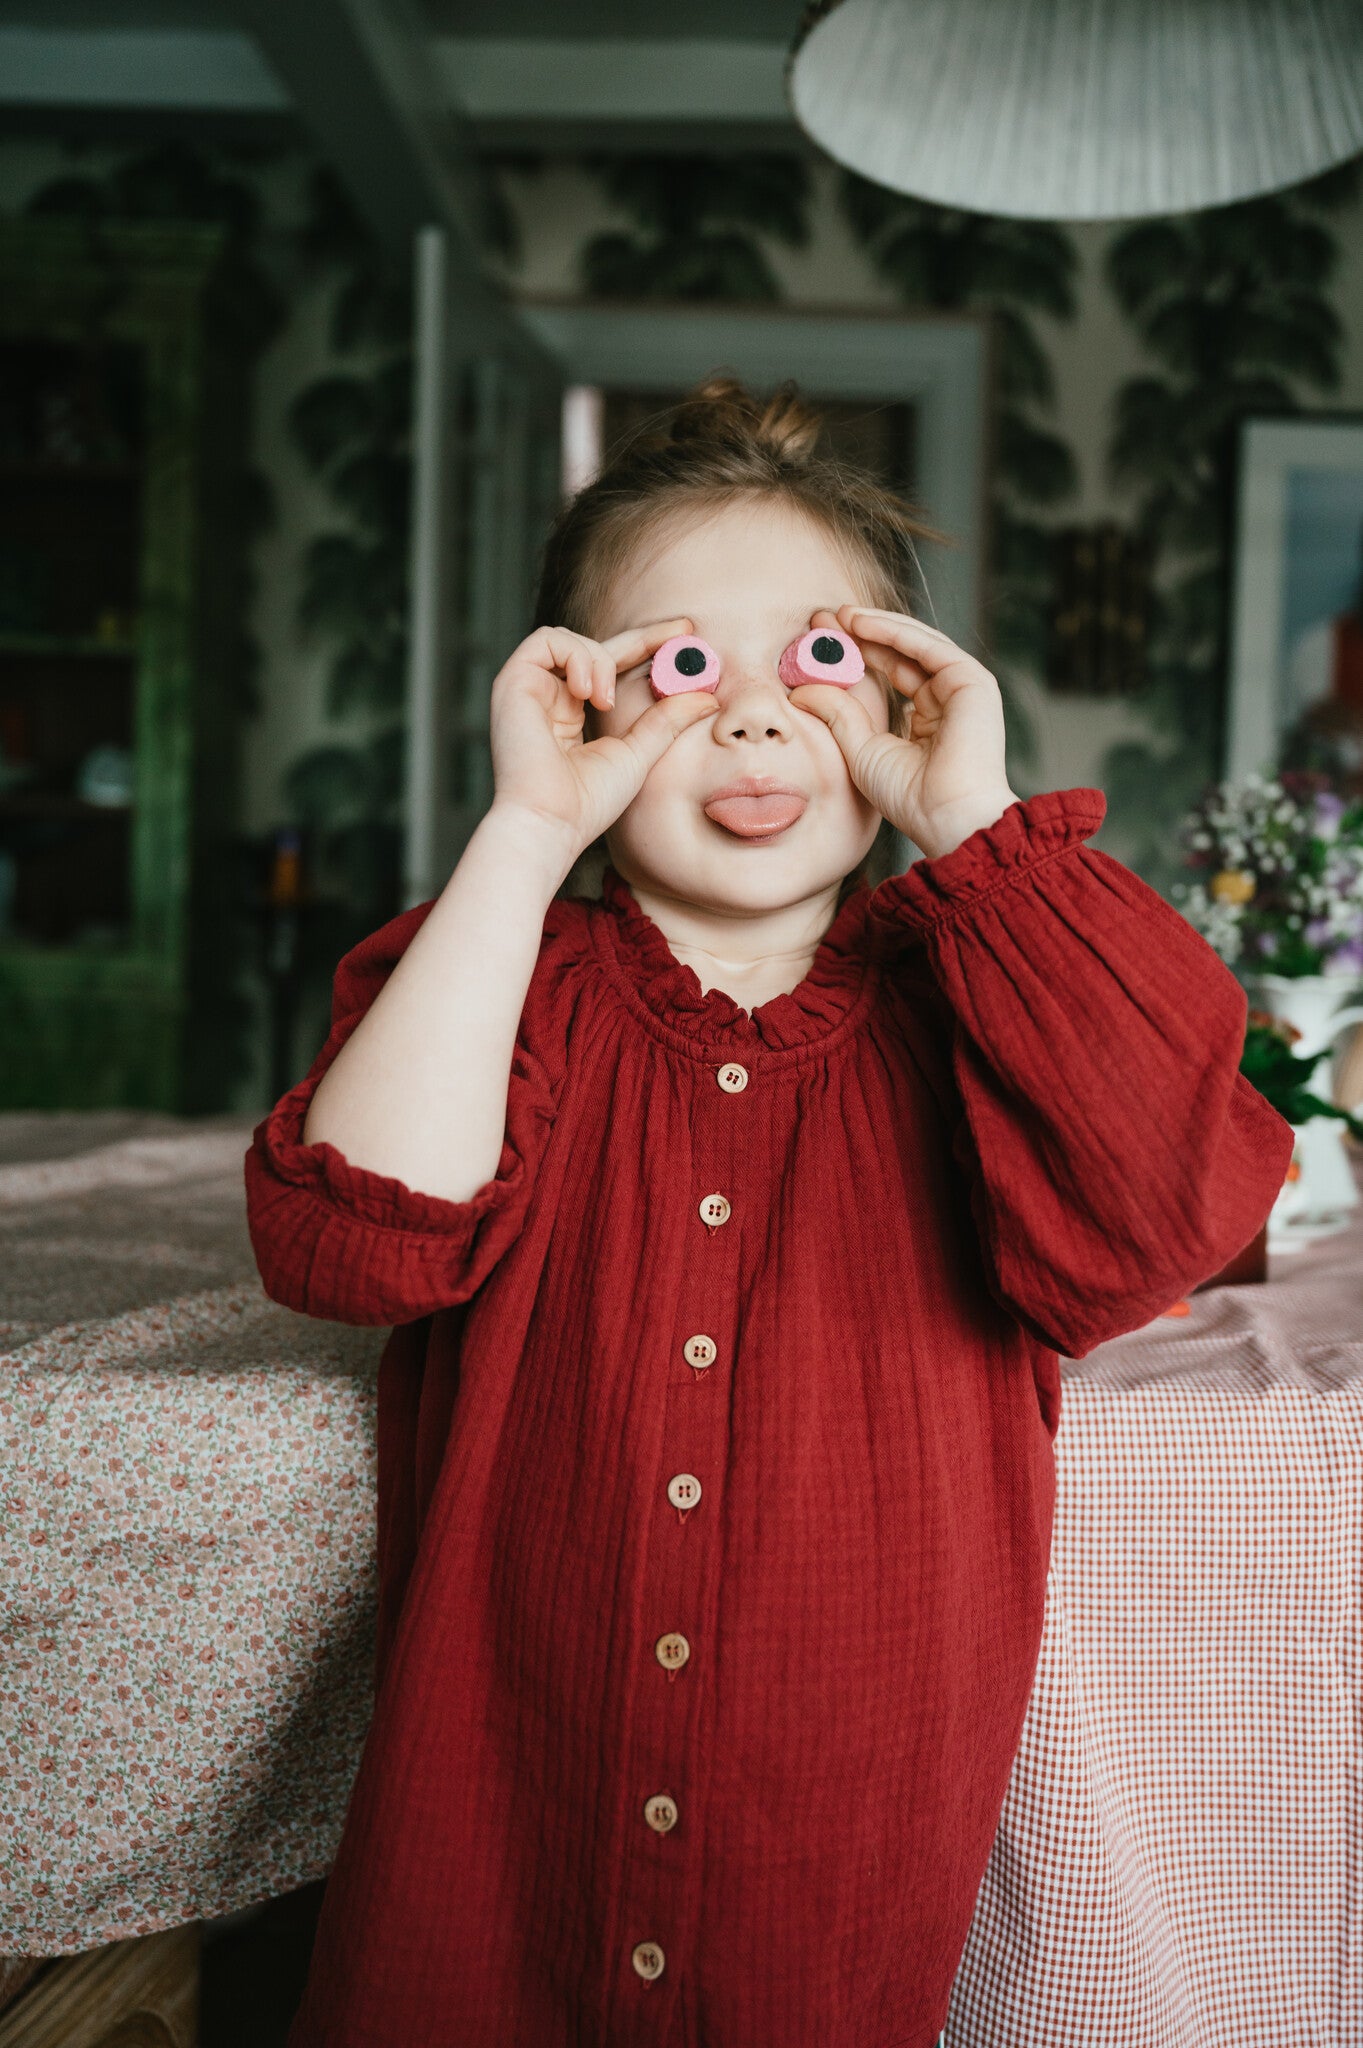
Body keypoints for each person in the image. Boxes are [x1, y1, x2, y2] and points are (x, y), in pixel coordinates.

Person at [245, 377, 1293, 2048]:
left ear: (902, 697)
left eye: (818, 666)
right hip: (500, 1821)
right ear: (573, 705)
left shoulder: (979, 1004)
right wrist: (523, 840)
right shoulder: (514, 984)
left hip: (844, 1844)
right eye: (676, 671)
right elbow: (355, 1241)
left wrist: (978, 829)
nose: (749, 725)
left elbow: (1171, 1206)